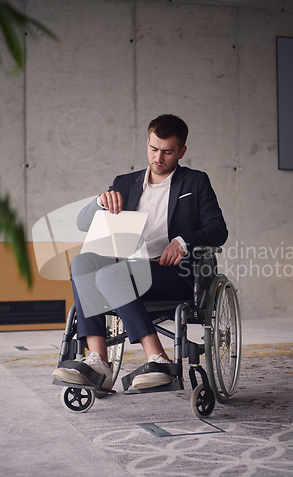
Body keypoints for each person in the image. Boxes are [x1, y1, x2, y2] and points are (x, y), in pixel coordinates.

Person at [53, 114, 228, 390]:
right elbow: (82, 223)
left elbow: (218, 230)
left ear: (181, 151)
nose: (158, 158)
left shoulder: (195, 183)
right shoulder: (124, 183)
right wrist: (99, 202)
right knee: (83, 263)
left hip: (172, 274)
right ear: (147, 142)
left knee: (110, 276)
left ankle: (157, 357)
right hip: (124, 270)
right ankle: (98, 359)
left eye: (168, 152)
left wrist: (183, 241)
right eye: (154, 149)